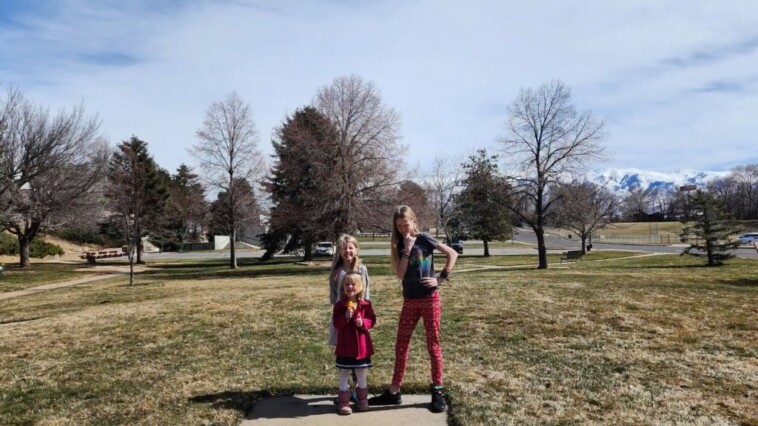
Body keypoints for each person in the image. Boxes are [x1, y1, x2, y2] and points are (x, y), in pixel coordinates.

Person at [368, 205, 458, 413]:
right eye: (398, 226)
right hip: (410, 301)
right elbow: (400, 274)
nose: (402, 229)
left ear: (414, 221)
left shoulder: (425, 238)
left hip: (429, 299)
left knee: (433, 344)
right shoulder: (399, 244)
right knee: (401, 345)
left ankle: (437, 390)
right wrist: (407, 250)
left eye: (405, 224)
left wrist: (441, 278)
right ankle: (394, 391)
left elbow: (452, 254)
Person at [333, 271, 376, 415]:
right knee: (344, 372)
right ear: (342, 287)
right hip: (345, 346)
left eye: (353, 284)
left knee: (361, 372)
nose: (350, 287)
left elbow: (372, 320)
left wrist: (362, 322)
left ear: (360, 287)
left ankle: (362, 399)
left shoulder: (365, 304)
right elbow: (336, 324)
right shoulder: (340, 305)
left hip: (361, 347)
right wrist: (345, 317)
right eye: (347, 284)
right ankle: (343, 401)